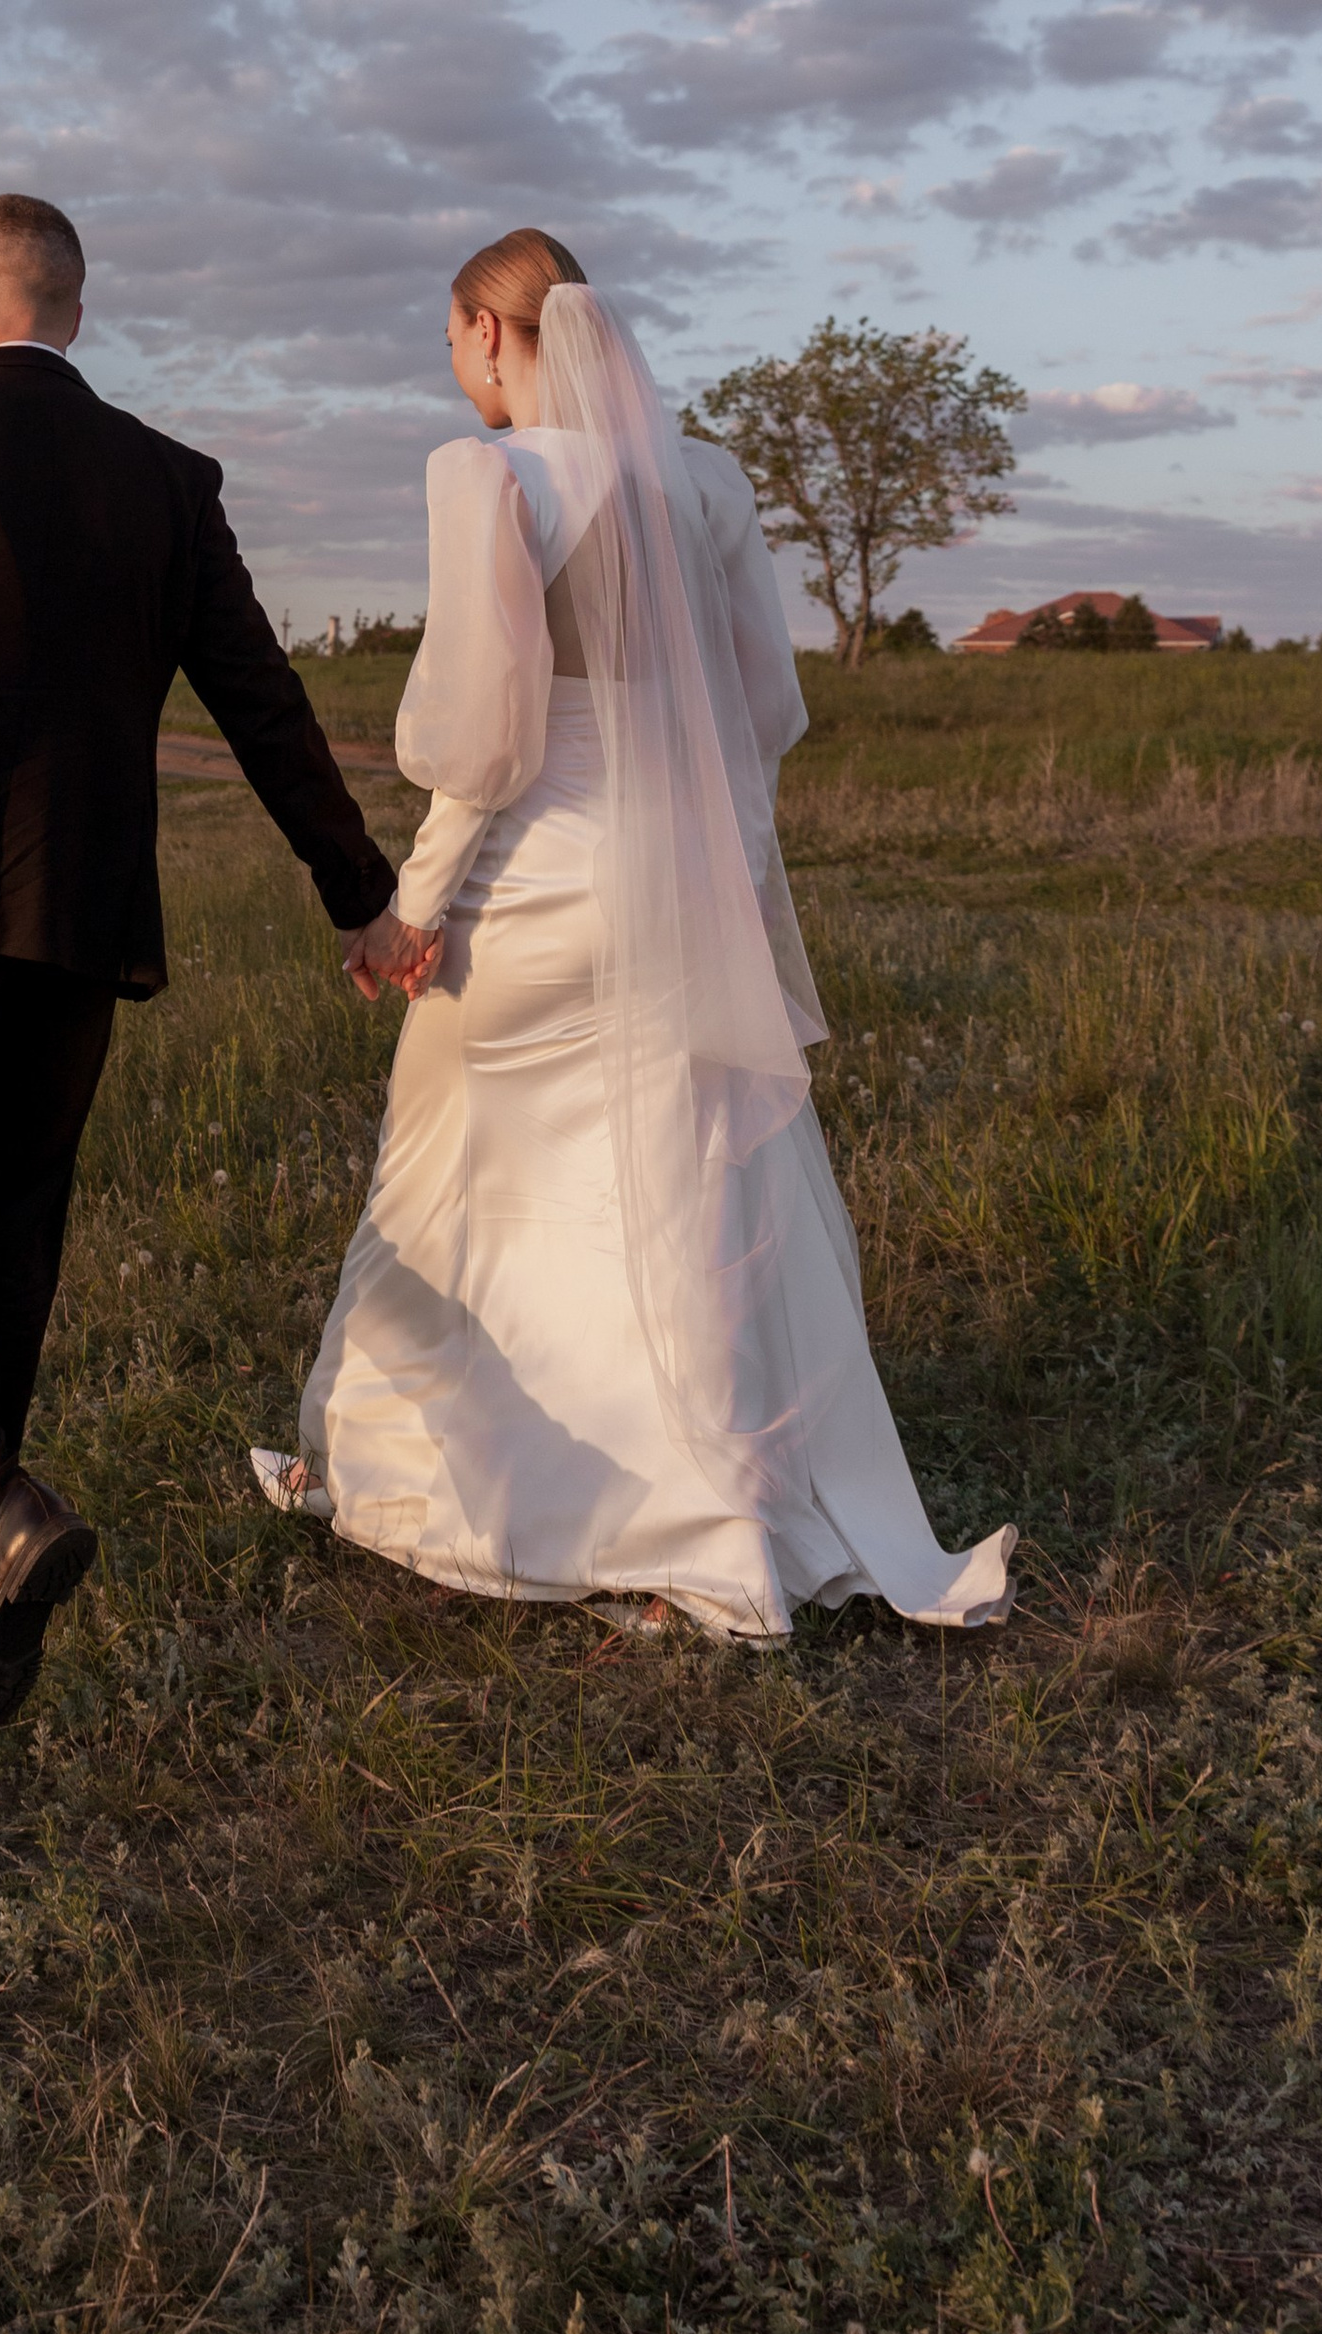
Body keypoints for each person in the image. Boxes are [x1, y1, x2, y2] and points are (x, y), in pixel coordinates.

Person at [0, 193, 418, 1751]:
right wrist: (357, 898)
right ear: (76, 316)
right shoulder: (168, 482)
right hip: (74, 925)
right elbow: (265, 702)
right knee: (2, 1248)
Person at [255, 229, 1015, 1645]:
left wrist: (411, 910)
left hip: (532, 887)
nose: (458, 370)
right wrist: (709, 855)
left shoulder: (481, 476)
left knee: (451, 1180)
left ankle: (394, 1466)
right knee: (683, 1195)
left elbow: (482, 748)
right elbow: (762, 714)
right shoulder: (710, 482)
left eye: (451, 342)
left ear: (492, 334)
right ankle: (713, 1526)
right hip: (676, 887)